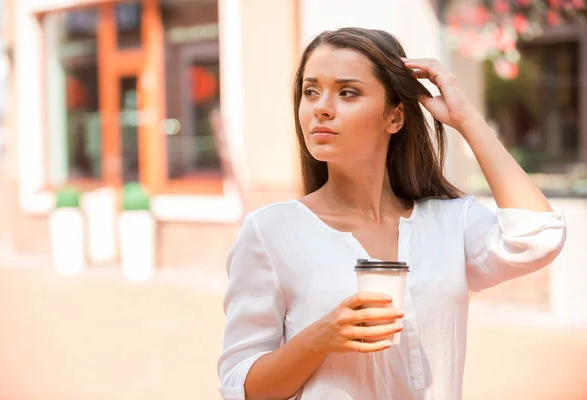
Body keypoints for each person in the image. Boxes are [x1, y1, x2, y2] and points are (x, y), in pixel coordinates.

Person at [217, 27, 567, 400]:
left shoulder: (449, 222)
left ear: (394, 117)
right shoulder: (271, 231)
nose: (321, 106)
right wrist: (320, 338)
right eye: (310, 91)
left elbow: (538, 237)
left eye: (347, 92)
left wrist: (465, 118)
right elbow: (241, 387)